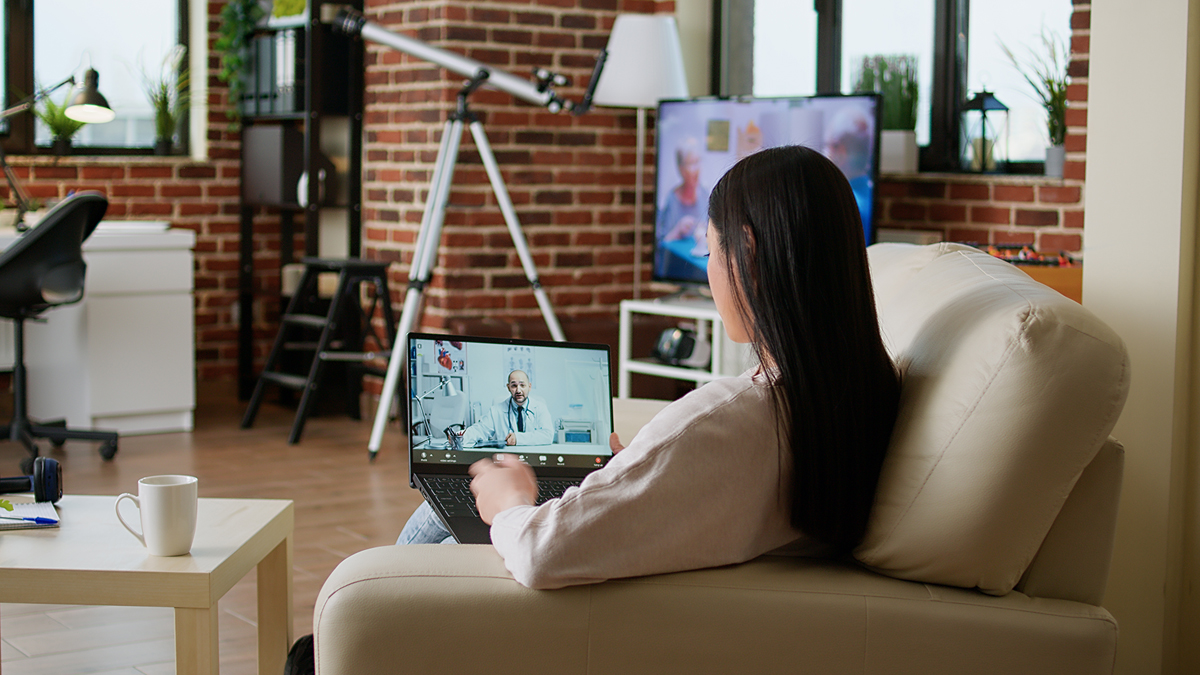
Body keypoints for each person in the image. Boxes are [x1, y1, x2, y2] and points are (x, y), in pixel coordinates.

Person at [400, 145, 901, 589]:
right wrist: (632, 467)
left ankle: (364, 621)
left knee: (455, 520)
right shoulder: (864, 392)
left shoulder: (728, 417)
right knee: (447, 505)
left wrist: (511, 504)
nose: (707, 269)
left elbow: (540, 551)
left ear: (746, 254)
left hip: (598, 598)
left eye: (709, 249)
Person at [459, 370, 553, 447]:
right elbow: (480, 430)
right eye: (514, 386)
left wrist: (518, 438)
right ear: (508, 387)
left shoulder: (540, 407)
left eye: (522, 385)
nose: (518, 390)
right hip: (507, 459)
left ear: (529, 387)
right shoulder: (496, 410)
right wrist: (460, 437)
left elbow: (548, 435)